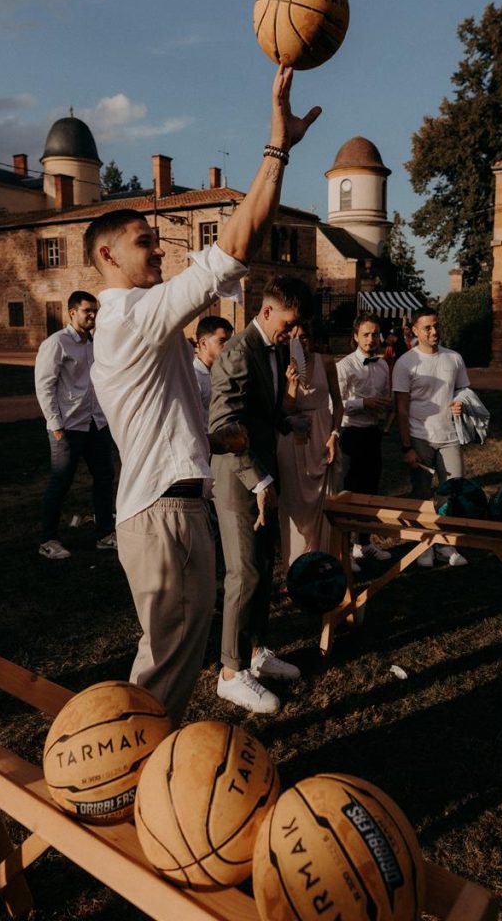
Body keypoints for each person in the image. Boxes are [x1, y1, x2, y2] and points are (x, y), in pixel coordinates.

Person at [86, 66, 320, 725]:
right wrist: (277, 148)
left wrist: (213, 438)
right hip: (162, 517)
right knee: (164, 665)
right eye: (144, 241)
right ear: (107, 255)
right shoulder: (130, 313)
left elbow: (153, 418)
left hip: (170, 510)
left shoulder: (137, 328)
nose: (157, 248)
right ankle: (113, 786)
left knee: (170, 657)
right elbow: (236, 245)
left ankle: (125, 770)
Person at [209, 275, 314, 714]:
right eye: (288, 324)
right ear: (267, 311)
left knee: (264, 567)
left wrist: (289, 422)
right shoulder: (236, 353)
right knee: (244, 573)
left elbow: (264, 414)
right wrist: (259, 480)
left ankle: (255, 653)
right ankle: (231, 674)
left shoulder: (278, 347)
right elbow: (222, 429)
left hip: (265, 474)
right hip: (238, 480)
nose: (292, 334)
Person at [34, 290, 116, 560]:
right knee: (61, 482)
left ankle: (105, 534)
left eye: (95, 310)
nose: (93, 315)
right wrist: (55, 425)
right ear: (72, 313)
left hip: (96, 423)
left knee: (105, 478)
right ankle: (48, 540)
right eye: (87, 310)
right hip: (68, 426)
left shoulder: (96, 343)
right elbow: (45, 385)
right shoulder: (56, 343)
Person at [392, 306, 469, 568]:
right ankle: (423, 546)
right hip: (419, 437)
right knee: (422, 494)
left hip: (450, 437)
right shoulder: (406, 363)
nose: (434, 331)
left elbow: (463, 391)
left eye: (436, 325)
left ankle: (446, 545)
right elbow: (401, 408)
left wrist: (460, 403)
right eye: (427, 327)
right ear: (415, 330)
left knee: (453, 492)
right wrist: (406, 447)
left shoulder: (454, 358)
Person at [277, 321, 343, 571]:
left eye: (303, 337)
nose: (299, 343)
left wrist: (334, 434)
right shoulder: (281, 366)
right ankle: (296, 565)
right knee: (294, 503)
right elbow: (285, 411)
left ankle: (323, 559)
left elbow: (338, 402)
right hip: (294, 437)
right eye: (293, 338)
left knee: (324, 500)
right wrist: (291, 384)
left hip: (323, 435)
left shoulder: (326, 362)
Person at [336, 312, 393, 574]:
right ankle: (345, 550)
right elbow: (334, 404)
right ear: (355, 337)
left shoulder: (382, 366)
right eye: (366, 334)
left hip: (372, 433)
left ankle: (364, 543)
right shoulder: (345, 366)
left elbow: (384, 396)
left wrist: (382, 407)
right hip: (350, 434)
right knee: (349, 491)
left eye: (375, 334)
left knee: (370, 491)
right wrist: (363, 403)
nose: (371, 339)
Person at [192, 315, 233, 423]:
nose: (228, 346)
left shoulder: (226, 372)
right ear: (203, 343)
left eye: (229, 341)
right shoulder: (192, 377)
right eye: (222, 341)